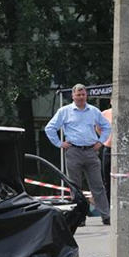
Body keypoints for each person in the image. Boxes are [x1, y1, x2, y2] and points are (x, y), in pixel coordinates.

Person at [44, 84, 112, 225]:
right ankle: (80, 217)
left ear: (86, 95)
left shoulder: (93, 111)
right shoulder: (65, 111)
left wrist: (101, 142)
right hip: (73, 151)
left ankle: (106, 215)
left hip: (91, 151)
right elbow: (50, 128)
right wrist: (59, 143)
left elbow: (107, 126)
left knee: (98, 185)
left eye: (83, 94)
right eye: (78, 95)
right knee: (75, 187)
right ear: (73, 96)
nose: (81, 97)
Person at [99, 104, 113, 202]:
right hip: (109, 148)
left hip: (122, 150)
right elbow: (98, 127)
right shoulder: (105, 113)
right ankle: (108, 206)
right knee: (107, 179)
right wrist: (105, 139)